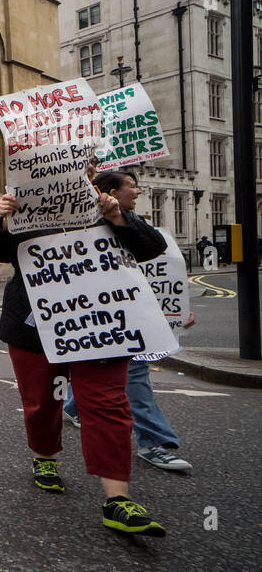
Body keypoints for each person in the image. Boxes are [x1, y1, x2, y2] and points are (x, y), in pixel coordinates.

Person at [0, 169, 170, 536]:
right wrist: (5, 220)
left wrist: (117, 217)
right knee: (41, 401)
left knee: (108, 404)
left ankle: (117, 499)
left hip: (102, 326)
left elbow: (152, 247)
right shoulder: (26, 206)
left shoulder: (107, 206)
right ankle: (45, 456)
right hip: (36, 328)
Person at [62, 172, 194, 473]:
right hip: (89, 314)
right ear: (110, 191)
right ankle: (152, 442)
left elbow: (158, 256)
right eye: (131, 187)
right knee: (123, 374)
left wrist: (175, 311)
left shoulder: (131, 221)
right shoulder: (78, 223)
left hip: (125, 317)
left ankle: (151, 439)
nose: (137, 191)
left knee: (134, 372)